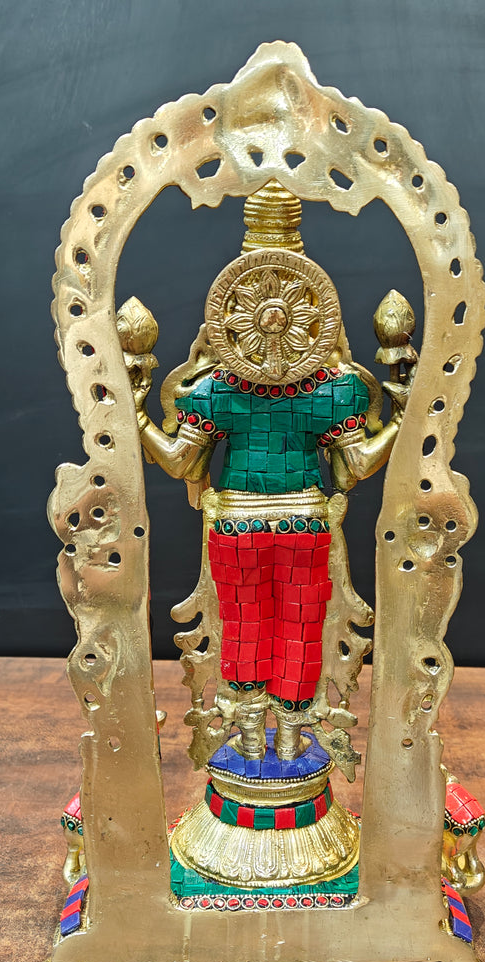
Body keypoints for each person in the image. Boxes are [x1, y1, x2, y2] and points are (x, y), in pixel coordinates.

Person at [133, 181, 407, 761]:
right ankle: (289, 736)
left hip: (236, 527)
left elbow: (180, 460)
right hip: (305, 523)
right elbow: (357, 464)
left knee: (244, 625)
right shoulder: (331, 391)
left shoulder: (216, 390)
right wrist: (403, 418)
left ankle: (252, 735)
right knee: (301, 627)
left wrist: (134, 417)